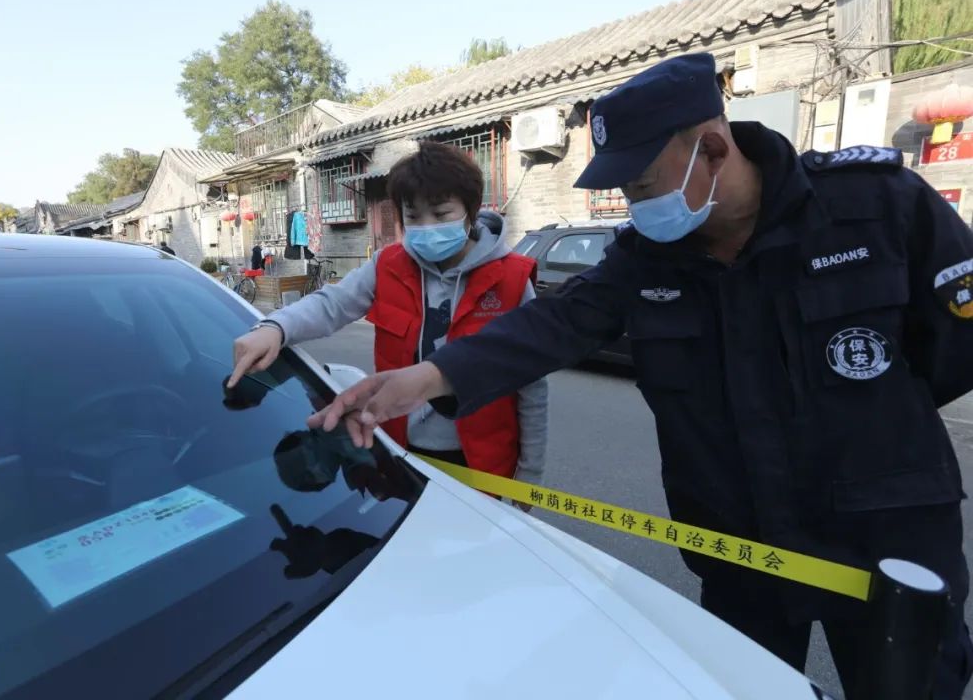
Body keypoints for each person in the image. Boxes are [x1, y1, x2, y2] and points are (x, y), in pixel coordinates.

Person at [308, 53, 973, 698]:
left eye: (643, 185)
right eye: (624, 190)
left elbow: (952, 352)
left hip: (888, 542)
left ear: (713, 150)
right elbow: (552, 326)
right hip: (738, 546)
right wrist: (427, 377)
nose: (634, 205)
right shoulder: (647, 258)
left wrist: (868, 431)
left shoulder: (875, 207)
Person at [229, 141, 549, 503]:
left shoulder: (511, 279)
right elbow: (332, 304)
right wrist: (275, 327)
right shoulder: (389, 265)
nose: (426, 227)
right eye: (413, 216)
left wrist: (529, 477)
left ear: (470, 211)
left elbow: (532, 385)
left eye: (441, 214)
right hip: (400, 454)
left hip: (482, 465)